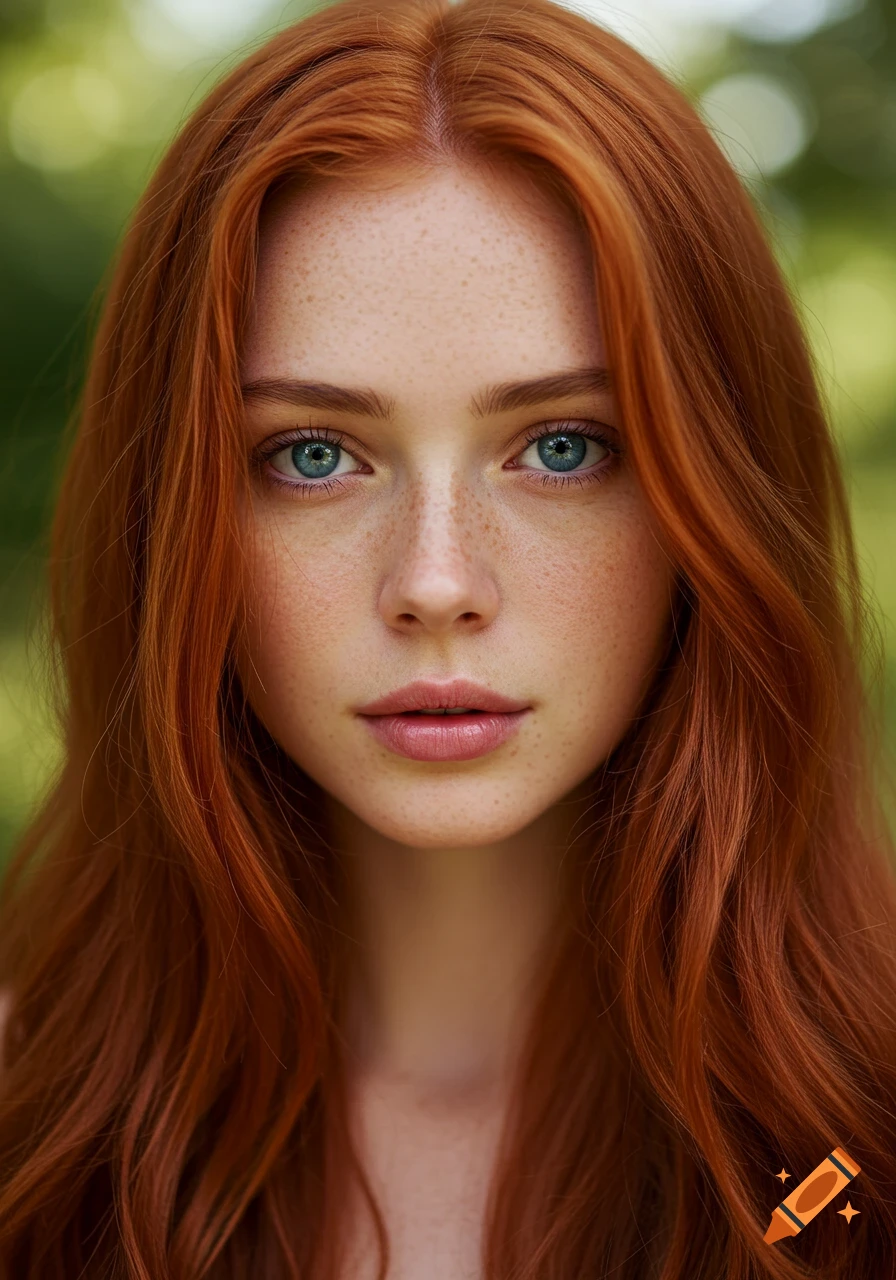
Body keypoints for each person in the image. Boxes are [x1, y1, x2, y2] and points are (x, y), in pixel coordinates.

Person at [1, 0, 895, 1275]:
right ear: (173, 517)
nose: (434, 581)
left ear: (715, 499)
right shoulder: (26, 1145)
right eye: (311, 456)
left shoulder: (851, 1159)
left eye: (563, 447)